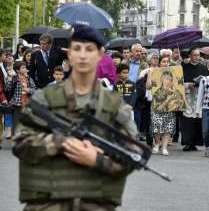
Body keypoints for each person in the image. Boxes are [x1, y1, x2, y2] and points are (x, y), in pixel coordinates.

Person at [13, 24, 139, 211]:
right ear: (69, 54)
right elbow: (20, 143)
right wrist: (60, 142)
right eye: (77, 48)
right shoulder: (45, 99)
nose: (82, 55)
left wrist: (95, 159)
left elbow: (132, 155)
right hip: (47, 205)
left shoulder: (114, 105)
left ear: (100, 54)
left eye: (89, 49)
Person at [147, 56, 179, 156]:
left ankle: (164, 147)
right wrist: (149, 74)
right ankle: (157, 144)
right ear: (159, 63)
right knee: (156, 125)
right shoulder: (155, 73)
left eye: (167, 62)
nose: (166, 63)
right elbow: (148, 86)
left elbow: (179, 97)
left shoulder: (173, 77)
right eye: (163, 61)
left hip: (170, 108)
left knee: (168, 127)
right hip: (156, 106)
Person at [180, 49, 208, 151]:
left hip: (199, 96)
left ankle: (195, 142)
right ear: (190, 56)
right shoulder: (184, 67)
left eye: (198, 55)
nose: (197, 57)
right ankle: (188, 143)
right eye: (194, 55)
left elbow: (207, 81)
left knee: (197, 120)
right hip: (188, 96)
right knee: (188, 120)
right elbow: (179, 82)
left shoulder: (204, 68)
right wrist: (188, 84)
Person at [5, 61, 36, 135]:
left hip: (27, 104)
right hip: (17, 104)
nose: (25, 69)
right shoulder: (14, 78)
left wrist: (28, 90)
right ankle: (15, 142)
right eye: (23, 68)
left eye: (25, 67)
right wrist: (9, 79)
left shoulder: (28, 78)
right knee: (16, 124)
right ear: (18, 70)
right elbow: (7, 89)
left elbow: (34, 90)